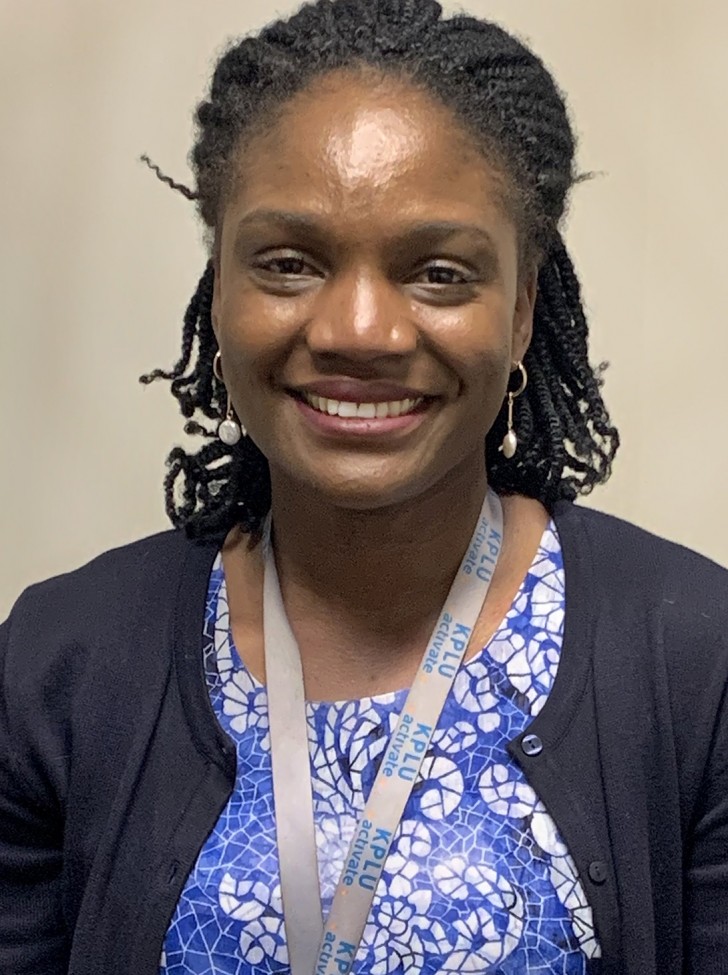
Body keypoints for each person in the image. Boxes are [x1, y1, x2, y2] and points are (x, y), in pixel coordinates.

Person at [1, 1, 726, 972]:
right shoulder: (60, 663)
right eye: (289, 263)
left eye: (435, 273)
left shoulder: (695, 661)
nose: (359, 330)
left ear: (519, 313)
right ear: (217, 287)